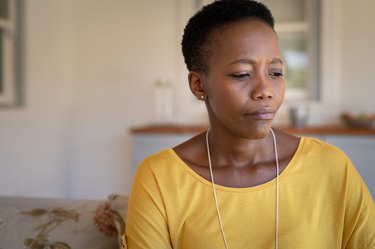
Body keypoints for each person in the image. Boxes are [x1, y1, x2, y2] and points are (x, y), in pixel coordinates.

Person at [124, 0, 375, 248]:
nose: (265, 91)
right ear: (198, 85)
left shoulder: (330, 167)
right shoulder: (159, 179)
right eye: (242, 74)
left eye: (275, 73)